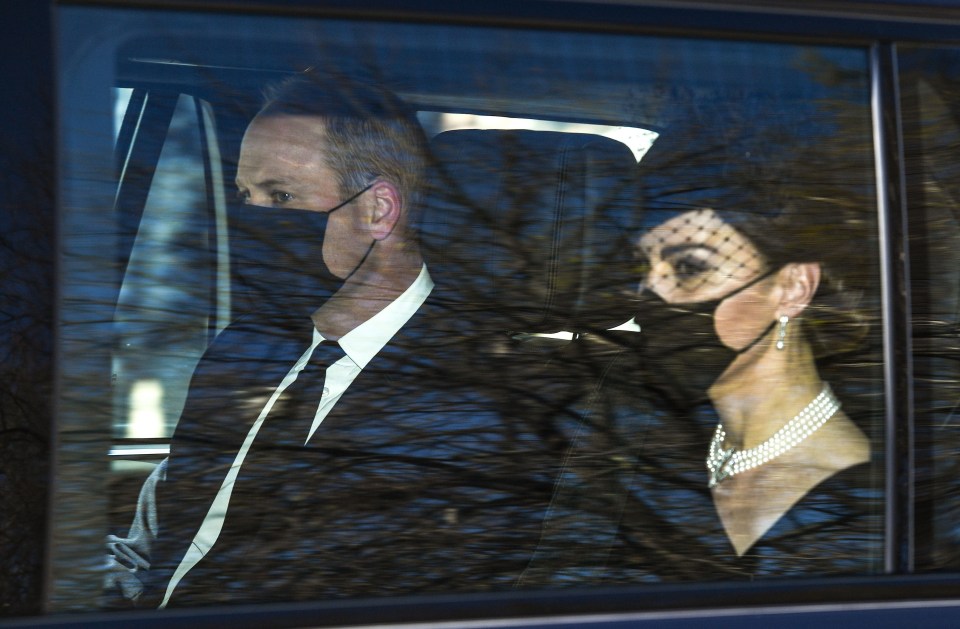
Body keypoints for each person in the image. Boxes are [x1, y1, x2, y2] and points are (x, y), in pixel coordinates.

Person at [105, 72, 553, 607]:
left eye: (282, 196)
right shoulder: (246, 347)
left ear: (378, 210)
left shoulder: (478, 406)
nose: (254, 221)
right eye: (246, 196)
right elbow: (160, 539)